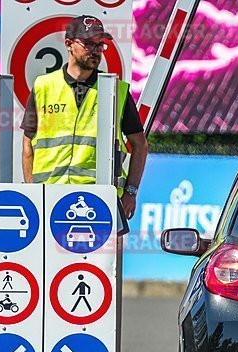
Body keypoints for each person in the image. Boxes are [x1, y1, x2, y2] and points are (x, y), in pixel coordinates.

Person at [21, 15, 148, 221]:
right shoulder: (43, 86)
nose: (96, 51)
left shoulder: (117, 90)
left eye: (100, 45)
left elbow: (140, 145)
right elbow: (28, 144)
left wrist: (131, 193)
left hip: (99, 200)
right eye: (88, 44)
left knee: (100, 254)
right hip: (48, 197)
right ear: (69, 44)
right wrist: (31, 193)